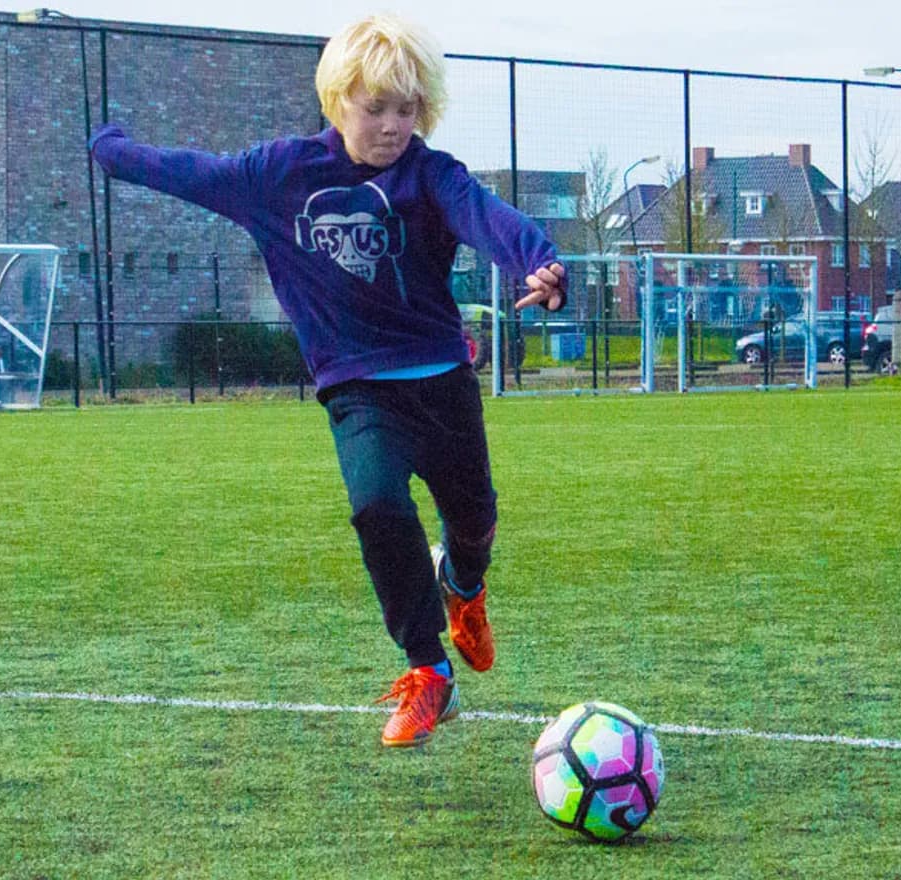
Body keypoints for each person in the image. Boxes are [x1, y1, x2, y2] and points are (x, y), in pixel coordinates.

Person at [89, 13, 566, 747]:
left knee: (473, 523)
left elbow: (487, 217)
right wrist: (114, 151)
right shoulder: (280, 175)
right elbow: (193, 172)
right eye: (375, 107)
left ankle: (465, 585)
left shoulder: (430, 174)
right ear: (337, 99)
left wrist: (539, 260)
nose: (391, 125)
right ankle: (429, 673)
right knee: (377, 504)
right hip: (358, 388)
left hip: (443, 383)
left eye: (406, 109)